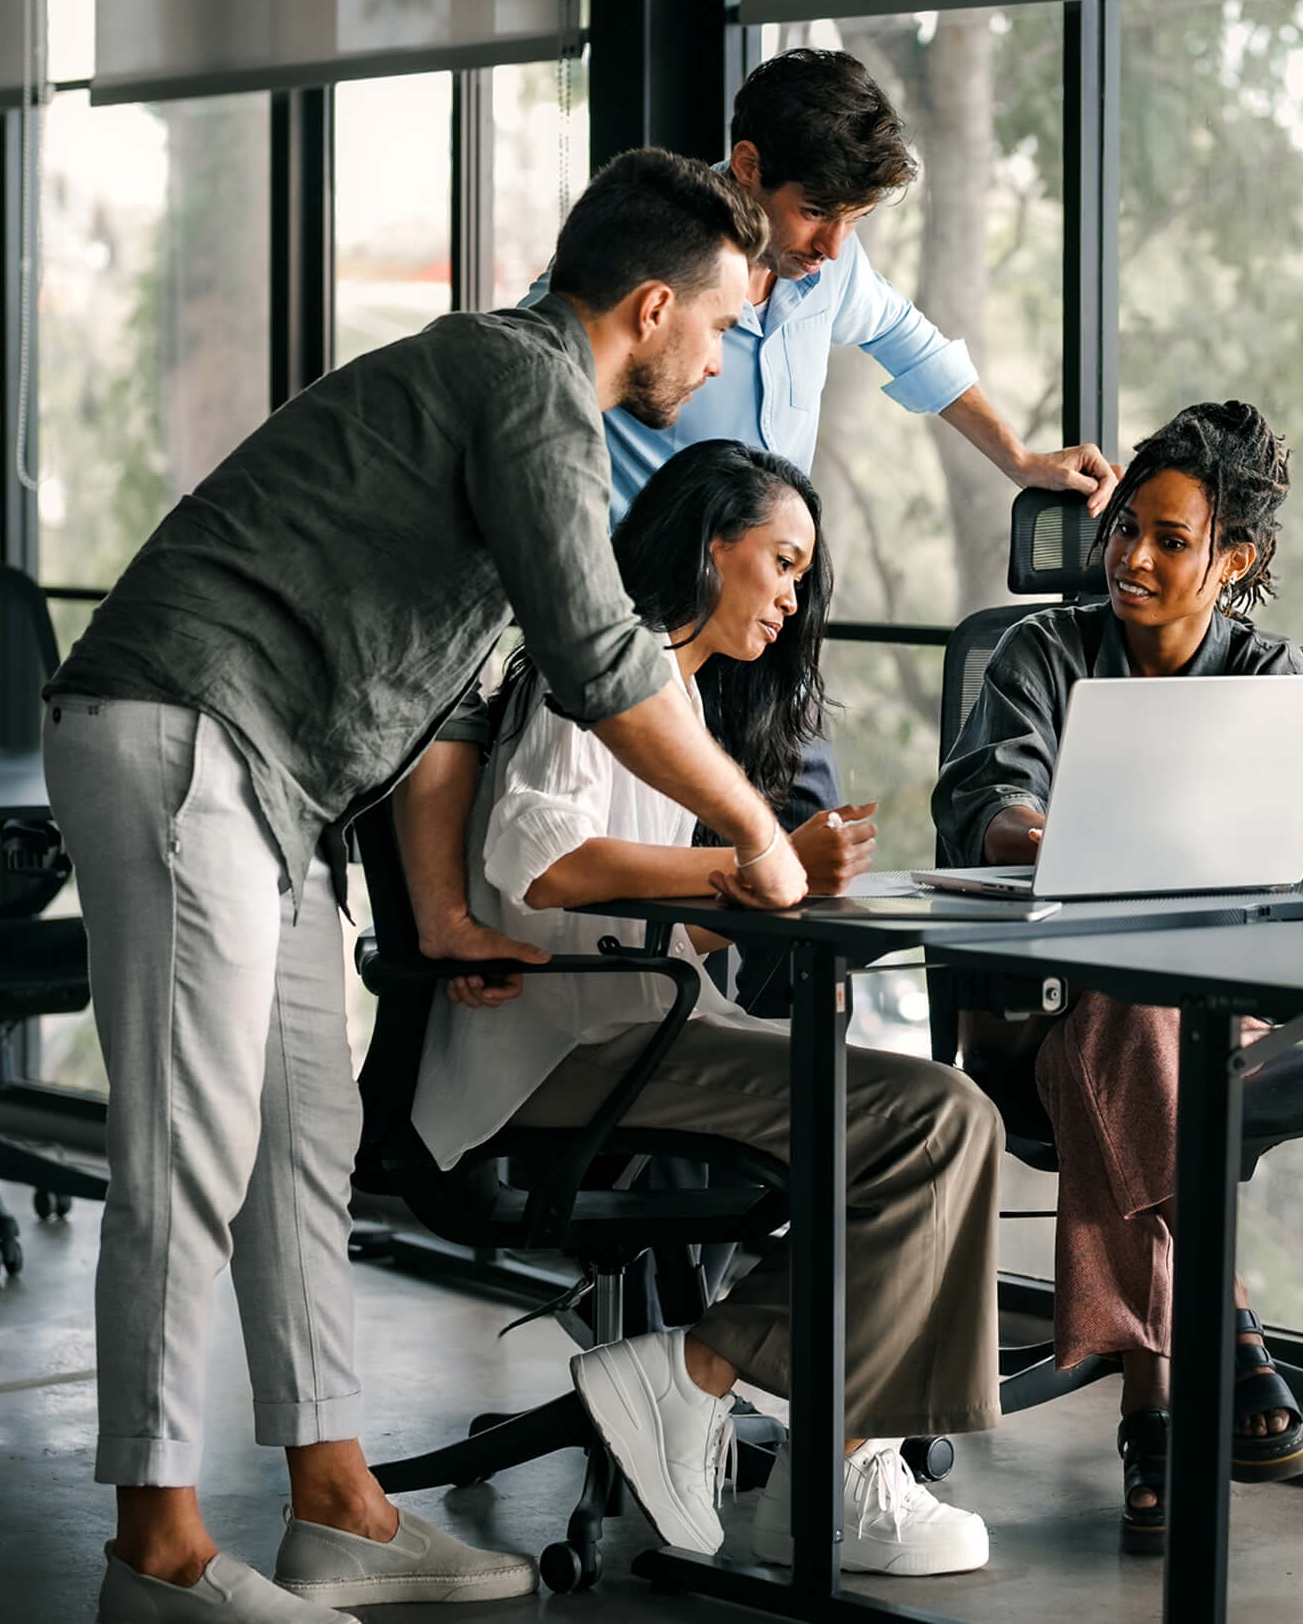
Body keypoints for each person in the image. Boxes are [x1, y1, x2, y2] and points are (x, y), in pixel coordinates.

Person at [42, 150, 809, 1624]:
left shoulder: (506, 392)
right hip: (181, 728)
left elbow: (433, 689)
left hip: (269, 784)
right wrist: (749, 831)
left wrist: (443, 911)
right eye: (718, 328)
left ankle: (337, 1508)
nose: (720, 363)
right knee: (191, 1156)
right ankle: (157, 1553)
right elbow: (597, 658)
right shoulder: (525, 386)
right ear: (651, 307)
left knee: (302, 1145)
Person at [411, 440, 1003, 1577]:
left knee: (931, 1122)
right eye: (780, 561)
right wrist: (754, 857)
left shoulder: (673, 693)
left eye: (801, 577)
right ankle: (754, 1404)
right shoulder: (599, 668)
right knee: (938, 1121)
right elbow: (540, 857)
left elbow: (654, 923)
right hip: (567, 1048)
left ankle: (797, 1426)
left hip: (639, 1021)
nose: (790, 597)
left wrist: (772, 886)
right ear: (707, 543)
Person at [511, 47, 1120, 831]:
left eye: (854, 221)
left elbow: (911, 341)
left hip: (764, 615)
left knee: (813, 843)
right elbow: (532, 359)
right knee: (691, 860)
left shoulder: (827, 267)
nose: (832, 245)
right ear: (748, 165)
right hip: (645, 625)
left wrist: (1019, 459)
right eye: (817, 211)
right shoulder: (650, 246)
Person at [926, 400, 1303, 1554]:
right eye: (1126, 532)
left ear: (1233, 559)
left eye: (1169, 538)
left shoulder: (1272, 678)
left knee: (1143, 1014)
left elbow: (1295, 856)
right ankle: (1222, 1314)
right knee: (1124, 1005)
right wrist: (1057, 840)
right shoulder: (1039, 652)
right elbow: (988, 807)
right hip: (1039, 1005)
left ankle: (1155, 1402)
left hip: (1220, 1008)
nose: (1134, 558)